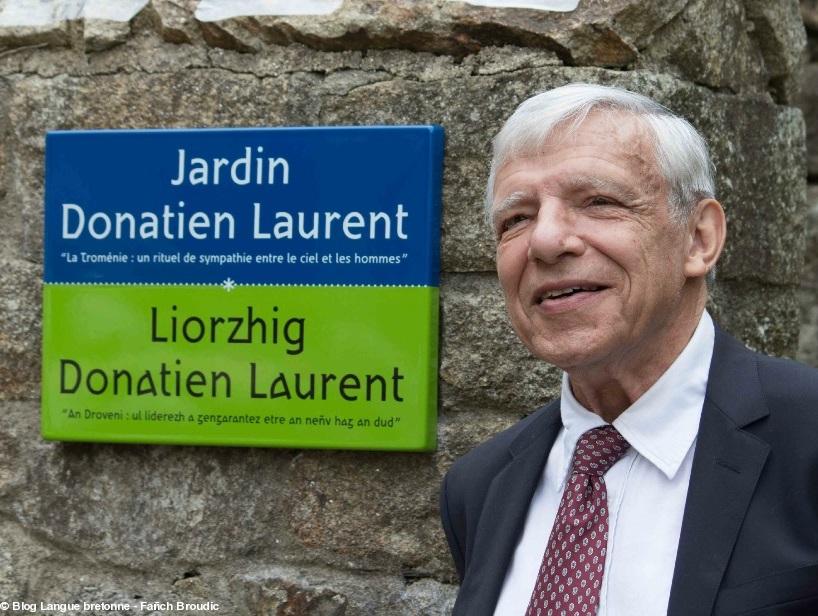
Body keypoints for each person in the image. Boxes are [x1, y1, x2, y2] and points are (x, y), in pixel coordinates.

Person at [439, 83, 818, 616]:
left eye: (599, 202)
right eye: (516, 218)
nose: (544, 241)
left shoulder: (806, 439)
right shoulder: (478, 486)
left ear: (699, 239)